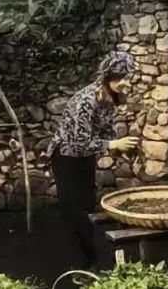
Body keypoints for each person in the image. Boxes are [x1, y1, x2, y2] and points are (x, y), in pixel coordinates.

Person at [47, 50, 139, 267]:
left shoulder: (109, 98)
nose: (128, 83)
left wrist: (120, 148)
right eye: (123, 78)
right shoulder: (87, 101)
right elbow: (80, 143)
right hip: (67, 157)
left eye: (129, 77)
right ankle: (79, 266)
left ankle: (91, 262)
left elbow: (106, 130)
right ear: (110, 78)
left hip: (85, 157)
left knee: (87, 207)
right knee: (74, 213)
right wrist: (112, 145)